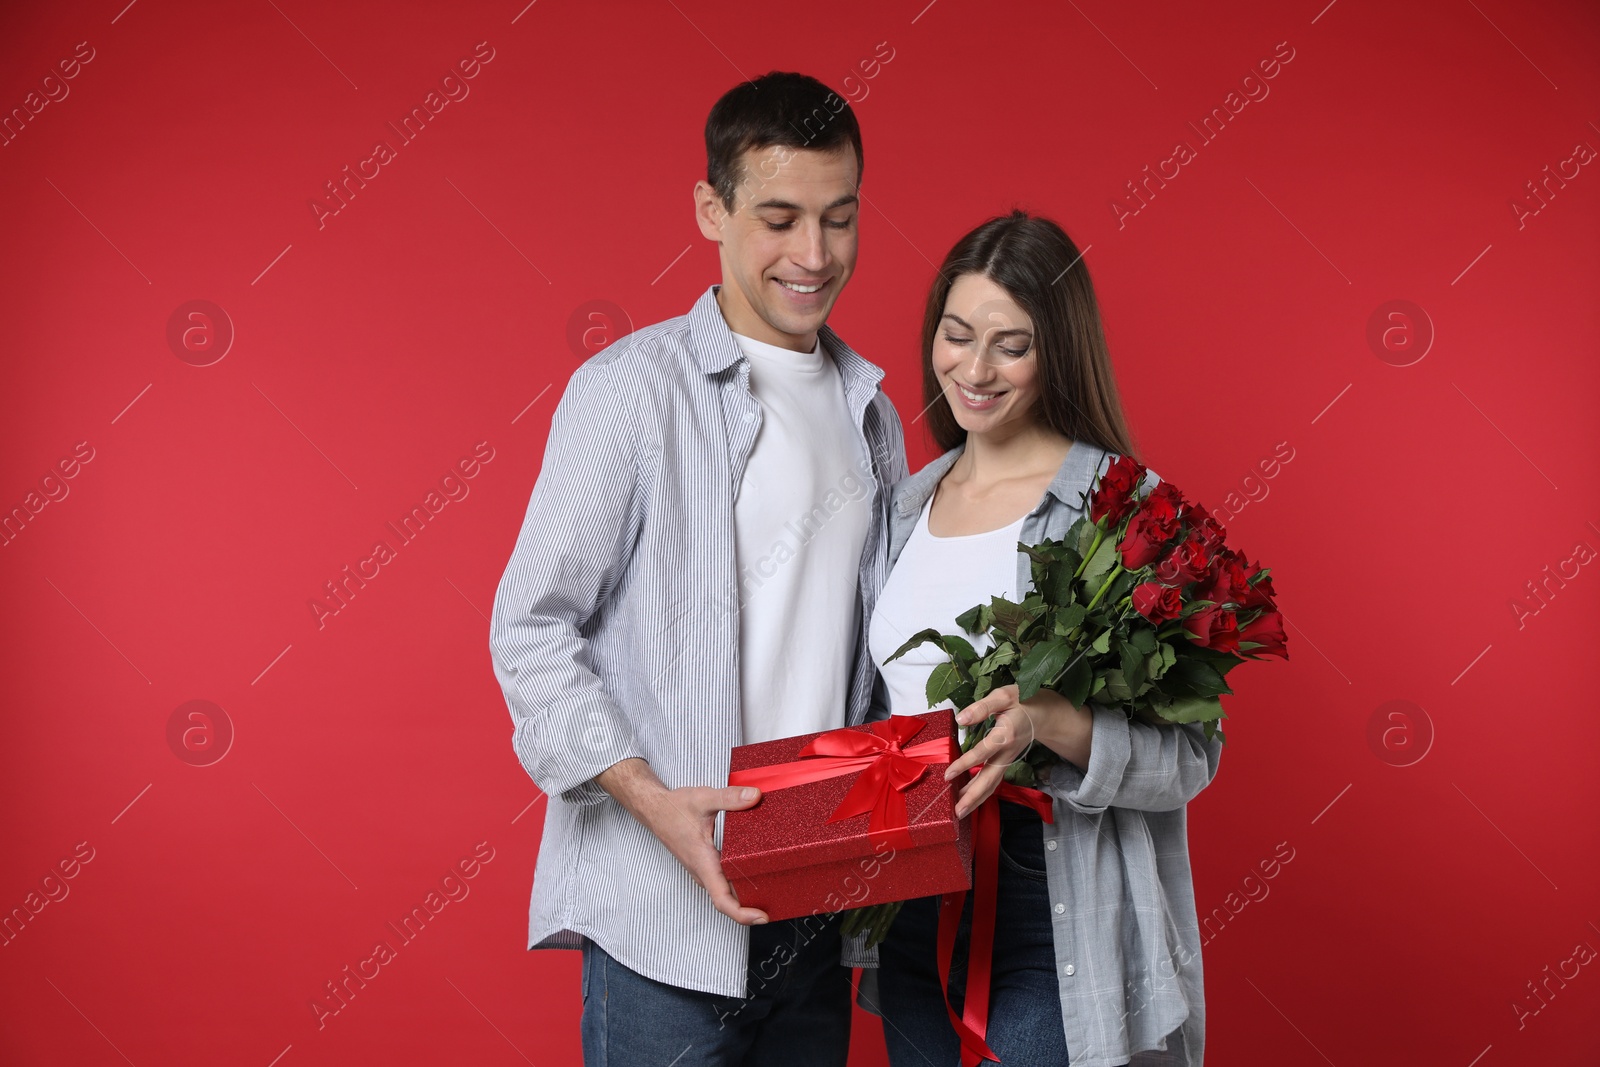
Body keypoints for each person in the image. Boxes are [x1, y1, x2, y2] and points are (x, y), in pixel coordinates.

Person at [488, 71, 908, 1066]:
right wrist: (647, 796)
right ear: (710, 211)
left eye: (838, 219)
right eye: (778, 218)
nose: (813, 255)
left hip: (811, 915)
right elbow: (529, 626)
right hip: (660, 923)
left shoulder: (875, 417)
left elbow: (883, 660)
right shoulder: (629, 393)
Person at [863, 211, 1222, 1066]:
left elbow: (1193, 758)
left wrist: (1053, 723)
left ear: (1056, 350)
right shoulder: (902, 507)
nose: (974, 370)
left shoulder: (1121, 507)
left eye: (1010, 345)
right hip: (910, 884)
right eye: (956, 335)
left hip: (1046, 886)